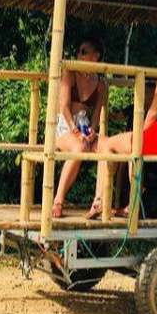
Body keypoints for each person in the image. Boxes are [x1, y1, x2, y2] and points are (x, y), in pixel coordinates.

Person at [88, 28, 157, 218]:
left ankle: (100, 202)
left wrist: (141, 133)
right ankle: (131, 204)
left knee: (107, 144)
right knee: (130, 151)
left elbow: (154, 109)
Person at [51, 37, 108, 218]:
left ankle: (98, 202)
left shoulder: (100, 84)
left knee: (107, 147)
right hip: (65, 124)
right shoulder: (70, 72)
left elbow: (96, 114)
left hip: (84, 127)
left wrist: (91, 130)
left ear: (96, 56)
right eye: (79, 52)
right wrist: (75, 130)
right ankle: (58, 201)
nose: (79, 55)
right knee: (79, 147)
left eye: (84, 52)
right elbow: (64, 107)